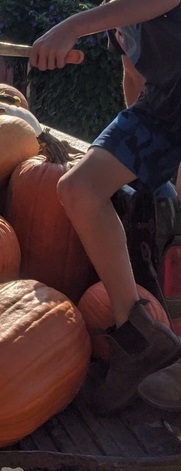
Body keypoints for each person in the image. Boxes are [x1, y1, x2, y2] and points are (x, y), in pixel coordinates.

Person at [29, 0, 181, 414]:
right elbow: (133, 75)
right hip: (162, 107)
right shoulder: (117, 16)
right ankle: (141, 340)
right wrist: (141, 170)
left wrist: (72, 27)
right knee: (79, 189)